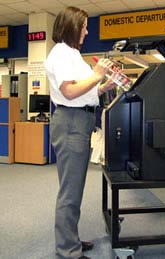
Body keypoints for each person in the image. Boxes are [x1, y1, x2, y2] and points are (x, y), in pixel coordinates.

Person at [45, 6, 117, 259]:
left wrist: (102, 85)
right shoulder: (62, 53)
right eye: (84, 26)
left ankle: (70, 239)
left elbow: (82, 91)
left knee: (75, 187)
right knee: (70, 190)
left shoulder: (73, 55)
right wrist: (97, 74)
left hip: (79, 120)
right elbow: (69, 92)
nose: (87, 31)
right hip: (71, 122)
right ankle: (68, 251)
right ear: (73, 26)